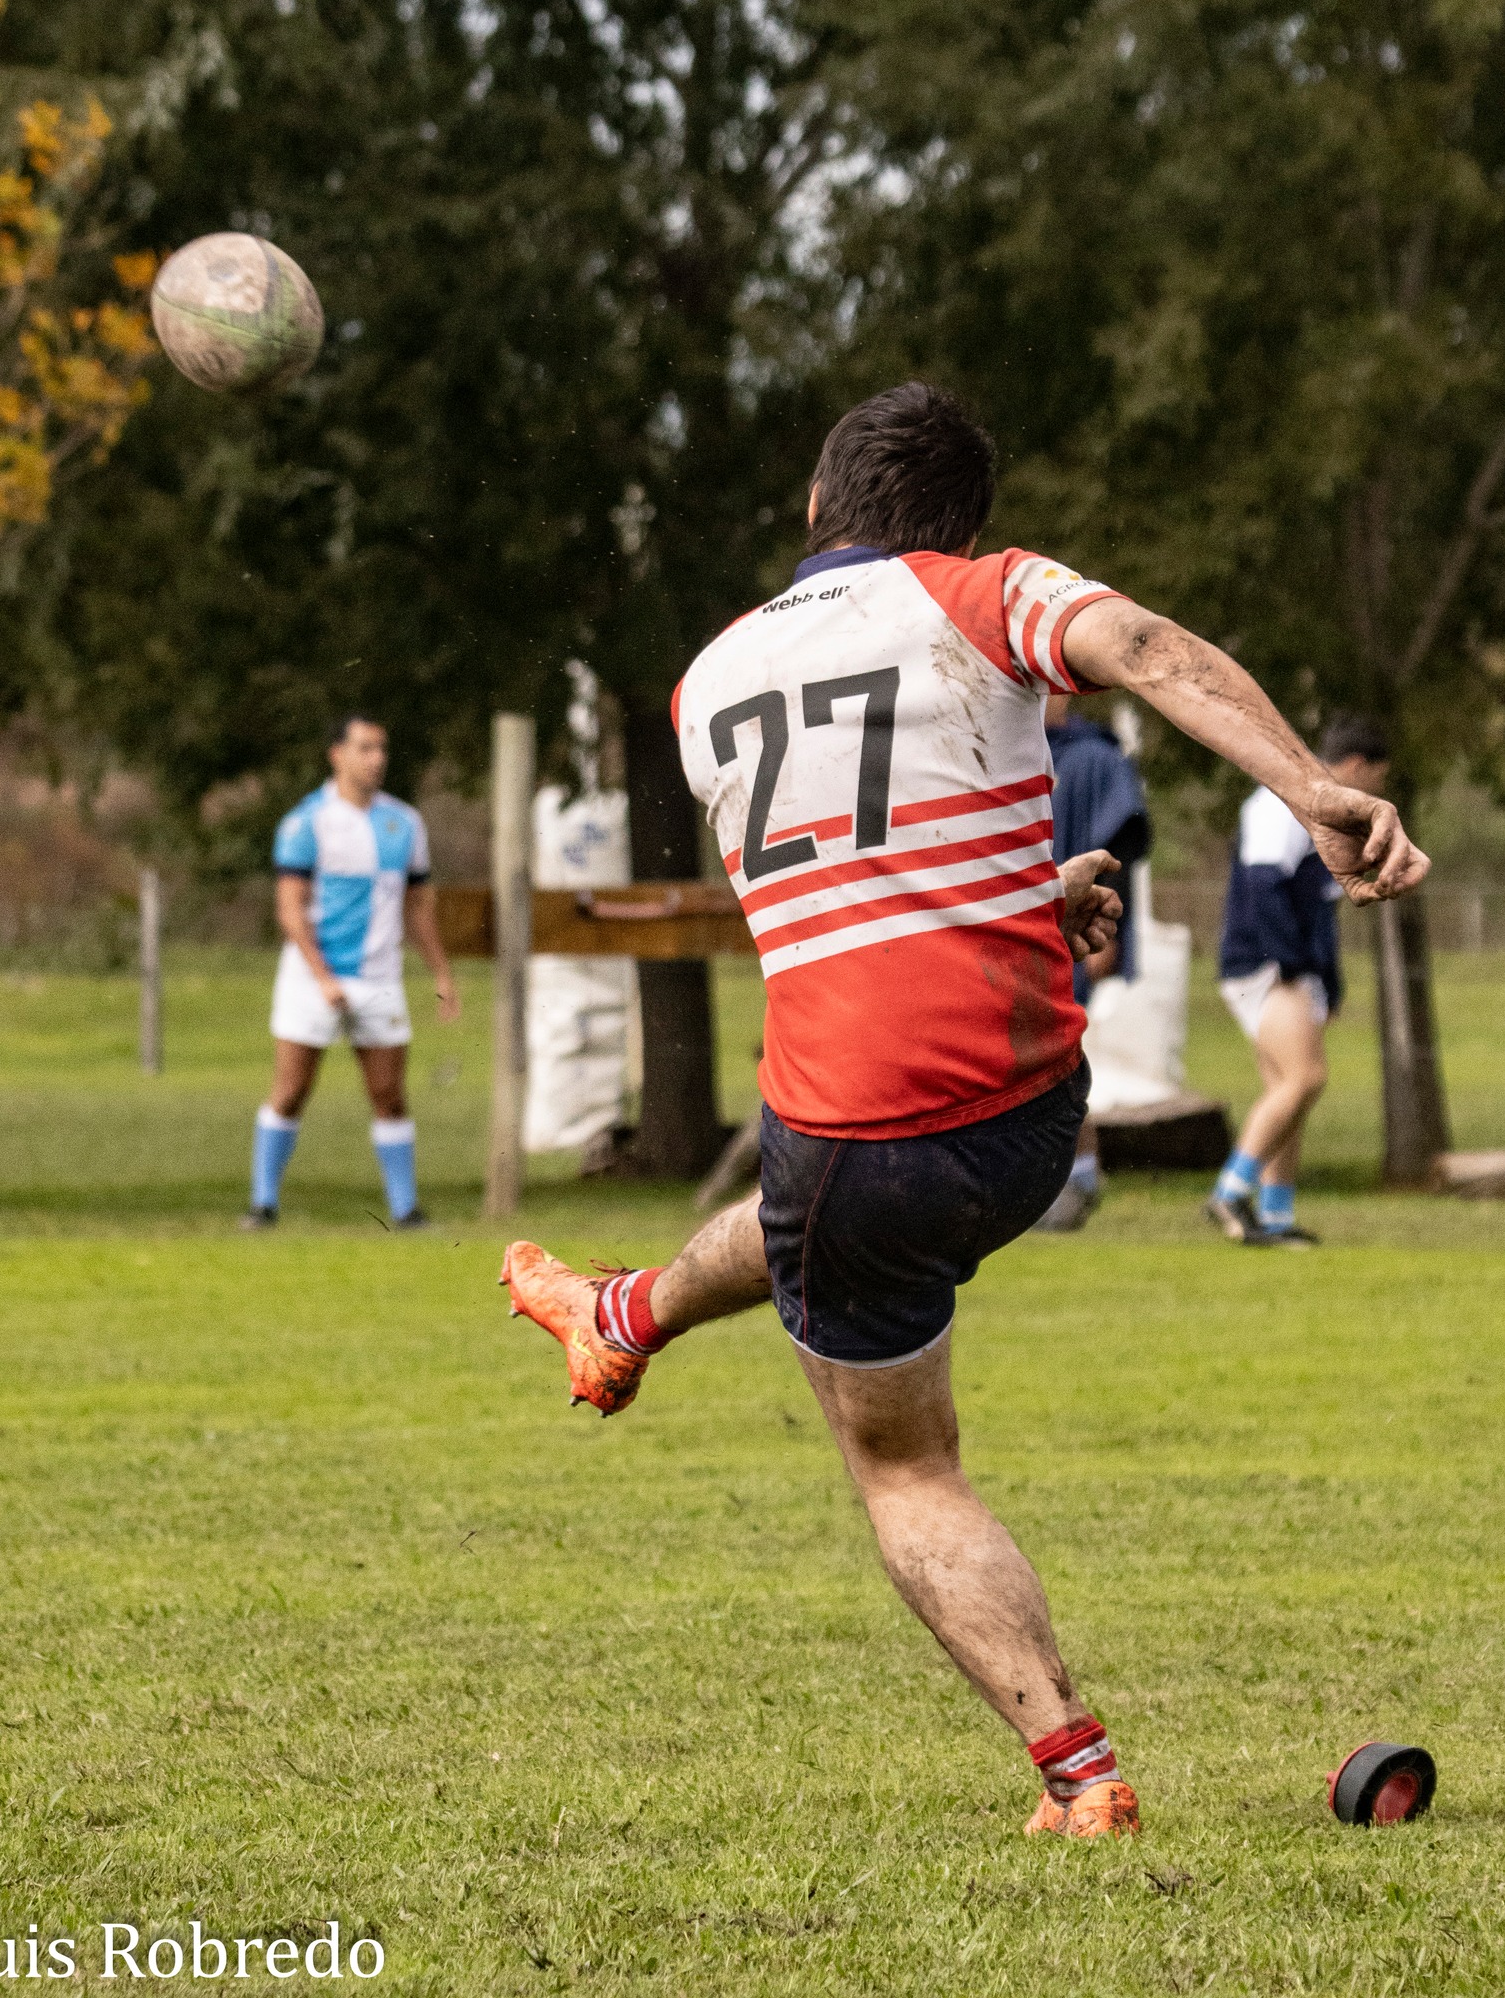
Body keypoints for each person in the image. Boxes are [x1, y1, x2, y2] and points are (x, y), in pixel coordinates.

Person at [500, 385, 1427, 1840]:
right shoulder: (987, 594)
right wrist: (1306, 789)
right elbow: (1144, 650)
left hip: (858, 1125)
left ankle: (1079, 1774)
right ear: (964, 524)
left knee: (902, 1457)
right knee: (811, 1226)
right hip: (1029, 1119)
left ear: (817, 506)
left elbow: (825, 892)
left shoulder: (702, 686)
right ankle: (619, 1319)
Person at [243, 716, 458, 1230]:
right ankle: (263, 1203)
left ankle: (406, 1210)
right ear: (336, 755)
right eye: (365, 748)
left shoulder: (404, 823)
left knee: (388, 1093)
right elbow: (290, 911)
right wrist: (322, 978)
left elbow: (418, 907)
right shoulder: (307, 822)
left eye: (381, 748)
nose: (377, 758)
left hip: (380, 978)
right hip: (311, 979)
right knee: (292, 1090)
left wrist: (440, 974)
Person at [1206, 715, 1391, 1248]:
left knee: (1287, 1091)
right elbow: (1264, 887)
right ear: (1357, 765)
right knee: (1305, 1078)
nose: (1377, 790)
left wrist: (1328, 983)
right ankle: (1229, 1190)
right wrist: (1289, 966)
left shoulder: (1329, 818)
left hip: (1295, 968)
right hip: (1264, 965)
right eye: (1377, 777)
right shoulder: (1279, 803)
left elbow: (1320, 909)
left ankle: (1275, 1216)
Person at [1034, 697, 1151, 1229]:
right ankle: (1058, 1176)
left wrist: (1110, 934)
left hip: (1077, 931)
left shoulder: (1094, 757)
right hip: (1018, 930)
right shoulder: (1014, 752)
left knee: (1057, 1049)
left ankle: (1078, 1173)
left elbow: (1119, 844)